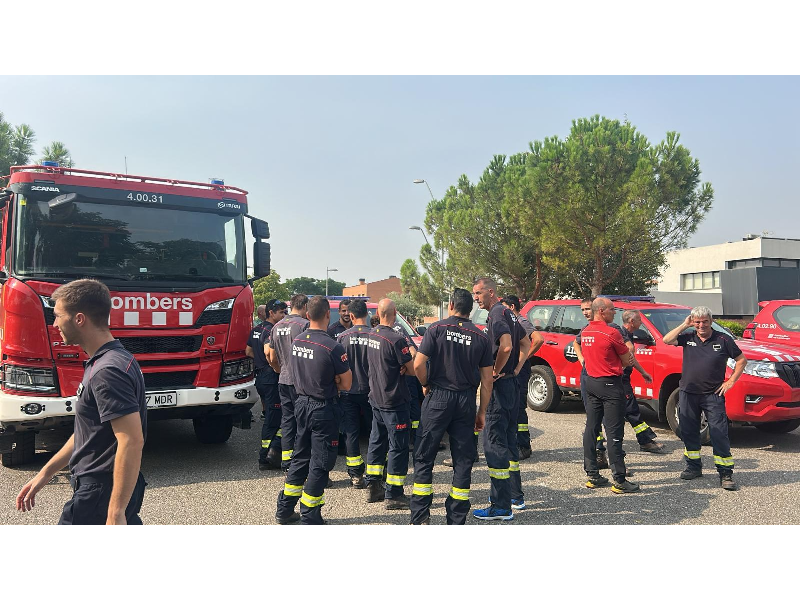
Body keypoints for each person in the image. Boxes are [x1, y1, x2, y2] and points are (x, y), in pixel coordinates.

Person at [16, 279, 147, 525]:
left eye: (58, 316)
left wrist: (115, 512)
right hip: (101, 489)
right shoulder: (113, 359)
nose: (55, 324)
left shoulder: (107, 371)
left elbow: (131, 440)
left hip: (100, 493)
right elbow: (87, 431)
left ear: (79, 319)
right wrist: (45, 474)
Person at [410, 288, 494, 525]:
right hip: (465, 401)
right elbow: (487, 381)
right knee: (463, 459)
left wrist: (426, 384)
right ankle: (456, 519)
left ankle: (420, 517)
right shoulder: (481, 337)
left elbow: (418, 364)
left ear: (450, 306)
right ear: (471, 310)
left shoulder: (436, 329)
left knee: (424, 456)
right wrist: (482, 412)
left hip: (438, 397)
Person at [274, 296, 352, 525]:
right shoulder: (333, 346)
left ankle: (284, 509)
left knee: (300, 458)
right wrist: (333, 380)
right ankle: (310, 515)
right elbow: (346, 383)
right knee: (320, 462)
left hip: (301, 404)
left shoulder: (298, 341)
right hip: (323, 408)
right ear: (328, 314)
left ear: (308, 315)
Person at [663, 306, 746, 491]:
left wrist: (731, 381)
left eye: (705, 321)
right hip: (688, 392)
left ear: (711, 321)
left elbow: (741, 360)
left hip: (712, 394)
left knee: (718, 432)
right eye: (697, 322)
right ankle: (693, 467)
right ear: (693, 322)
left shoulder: (723, 339)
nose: (701, 325)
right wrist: (685, 325)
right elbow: (666, 340)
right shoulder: (688, 337)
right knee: (689, 431)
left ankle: (725, 473)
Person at [471, 277, 531, 521]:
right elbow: (526, 344)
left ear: (491, 292)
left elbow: (506, 347)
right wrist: (516, 370)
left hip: (500, 387)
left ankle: (500, 506)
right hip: (512, 385)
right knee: (508, 443)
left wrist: (495, 371)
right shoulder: (510, 314)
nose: (475, 298)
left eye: (478, 293)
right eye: (473, 294)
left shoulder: (497, 314)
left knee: (494, 445)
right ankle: (515, 497)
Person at [580, 297, 639, 493]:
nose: (615, 313)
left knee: (592, 428)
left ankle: (592, 475)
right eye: (612, 310)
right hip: (610, 384)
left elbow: (582, 348)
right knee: (614, 433)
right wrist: (620, 362)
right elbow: (626, 359)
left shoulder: (586, 331)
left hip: (591, 382)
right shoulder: (611, 332)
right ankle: (619, 480)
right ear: (602, 311)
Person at [364, 298, 414, 510]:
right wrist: (403, 367)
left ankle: (373, 486)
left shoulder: (371, 335)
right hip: (394, 401)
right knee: (398, 447)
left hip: (376, 398)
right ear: (394, 312)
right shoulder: (396, 339)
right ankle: (393, 494)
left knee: (377, 441)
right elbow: (411, 369)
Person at [265, 294, 309, 471]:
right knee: (304, 424)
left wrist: (279, 370)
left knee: (288, 422)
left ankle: (287, 462)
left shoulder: (277, 326)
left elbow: (272, 356)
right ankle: (302, 462)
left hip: (283, 380)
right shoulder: (304, 325)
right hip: (301, 382)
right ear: (305, 306)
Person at [501, 295, 544, 460]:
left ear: (512, 307)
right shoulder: (510, 322)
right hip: (514, 368)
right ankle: (514, 443)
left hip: (521, 369)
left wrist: (526, 356)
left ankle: (524, 446)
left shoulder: (521, 322)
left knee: (518, 407)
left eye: (504, 307)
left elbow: (539, 339)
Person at [618, 309, 665, 453]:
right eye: (639, 320)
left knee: (628, 411)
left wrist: (643, 372)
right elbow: (628, 353)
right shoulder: (622, 335)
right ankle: (645, 441)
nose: (641, 322)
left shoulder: (628, 334)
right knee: (631, 411)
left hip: (622, 379)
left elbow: (631, 359)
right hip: (619, 380)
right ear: (632, 322)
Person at [247, 299, 287, 470]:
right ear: (271, 313)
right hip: (271, 378)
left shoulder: (255, 329)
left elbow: (248, 351)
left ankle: (273, 453)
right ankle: (266, 457)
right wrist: (276, 369)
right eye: (281, 312)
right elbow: (269, 353)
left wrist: (260, 364)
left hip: (260, 377)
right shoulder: (272, 330)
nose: (284, 315)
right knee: (273, 419)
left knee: (272, 416)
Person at [336, 299, 371, 488]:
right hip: (371, 392)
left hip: (348, 391)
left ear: (351, 315)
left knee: (351, 433)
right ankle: (377, 472)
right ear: (367, 314)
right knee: (376, 433)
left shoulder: (342, 337)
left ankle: (355, 475)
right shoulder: (375, 336)